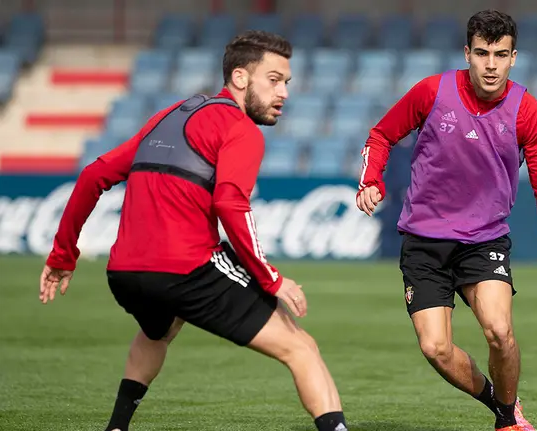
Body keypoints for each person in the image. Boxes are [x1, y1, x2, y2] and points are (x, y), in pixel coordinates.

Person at [39, 30, 349, 431]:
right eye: (273, 80)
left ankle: (116, 427)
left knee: (158, 332)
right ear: (240, 78)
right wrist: (272, 279)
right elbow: (230, 204)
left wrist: (63, 256)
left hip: (126, 275)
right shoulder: (240, 129)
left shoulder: (172, 114)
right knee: (302, 348)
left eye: (286, 83)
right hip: (186, 270)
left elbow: (94, 175)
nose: (284, 93)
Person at [355, 10, 537, 431]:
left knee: (500, 332)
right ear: (468, 53)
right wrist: (371, 180)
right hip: (424, 243)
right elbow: (381, 135)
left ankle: (509, 422)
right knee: (435, 348)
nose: (491, 64)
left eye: (500, 54)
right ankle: (500, 405)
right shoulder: (431, 92)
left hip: (484, 241)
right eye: (482, 53)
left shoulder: (527, 112)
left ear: (514, 57)